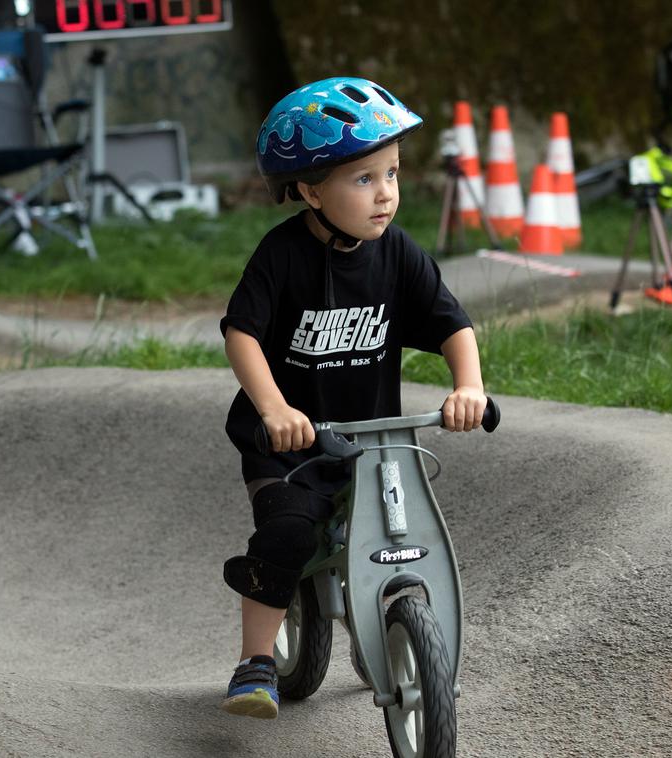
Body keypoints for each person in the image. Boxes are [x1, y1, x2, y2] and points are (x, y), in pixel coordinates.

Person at [218, 77, 487, 720]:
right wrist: (274, 409)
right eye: (363, 179)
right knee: (285, 534)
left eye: (391, 174)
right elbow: (242, 333)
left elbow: (453, 325)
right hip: (291, 449)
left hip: (373, 442)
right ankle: (256, 662)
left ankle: (390, 625)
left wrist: (469, 385)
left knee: (407, 534)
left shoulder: (397, 255)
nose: (386, 193)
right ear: (311, 190)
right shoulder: (282, 255)